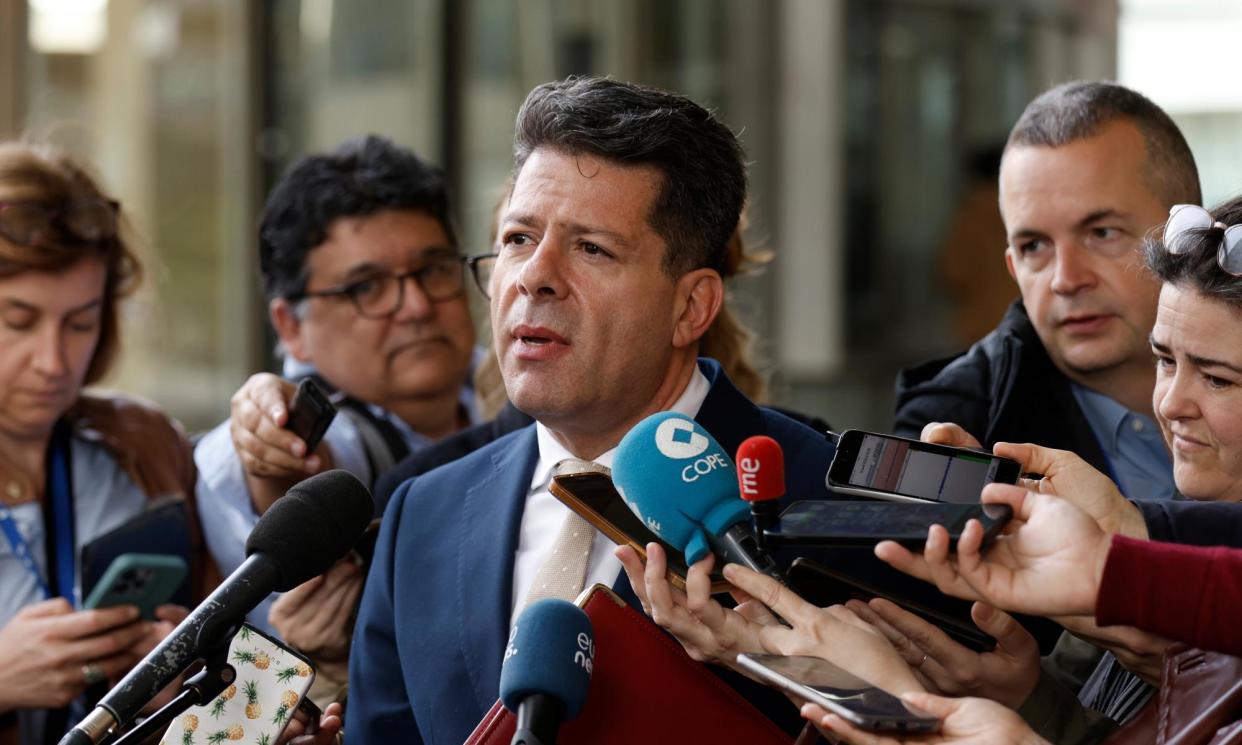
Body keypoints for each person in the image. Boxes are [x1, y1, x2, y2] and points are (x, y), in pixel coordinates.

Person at [346, 76, 839, 745]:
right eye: (519, 238)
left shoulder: (826, 505)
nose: (534, 276)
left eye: (591, 248)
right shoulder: (420, 515)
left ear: (690, 307)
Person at [194, 135, 480, 638]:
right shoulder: (332, 435)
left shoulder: (519, 386)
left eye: (433, 269)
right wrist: (269, 443)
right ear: (290, 328)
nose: (415, 306)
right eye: (365, 287)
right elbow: (289, 473)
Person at [895, 80, 1198, 506]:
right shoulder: (952, 428)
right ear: (1013, 269)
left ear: (1186, 236)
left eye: (1102, 233)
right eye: (1034, 246)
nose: (1066, 279)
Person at [0, 141, 214, 744]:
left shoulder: (144, 443)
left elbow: (228, 722)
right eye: (18, 321)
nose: (53, 361)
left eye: (81, 323)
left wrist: (185, 690)